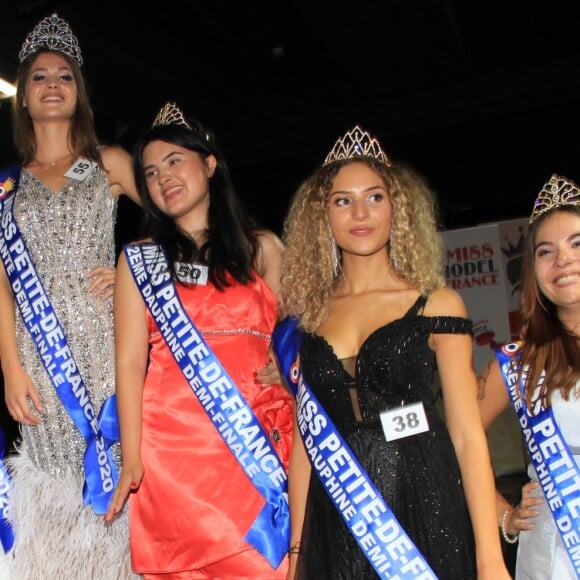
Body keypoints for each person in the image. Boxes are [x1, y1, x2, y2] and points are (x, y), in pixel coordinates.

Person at [275, 126, 511, 579]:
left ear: (396, 207)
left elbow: (466, 435)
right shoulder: (307, 319)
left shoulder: (436, 304)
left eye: (374, 197)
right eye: (343, 200)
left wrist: (490, 556)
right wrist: (297, 554)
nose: (360, 212)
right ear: (321, 214)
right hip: (337, 511)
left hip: (422, 499)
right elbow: (306, 445)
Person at [104, 102, 292, 578]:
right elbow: (128, 362)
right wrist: (131, 457)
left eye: (174, 162)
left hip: (251, 449)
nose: (162, 178)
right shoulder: (139, 261)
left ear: (209, 164)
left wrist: (291, 361)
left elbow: (301, 334)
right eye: (149, 172)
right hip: (170, 458)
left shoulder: (263, 248)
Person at [0, 12, 140, 578]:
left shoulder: (109, 163)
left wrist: (134, 266)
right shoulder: (5, 185)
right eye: (39, 76)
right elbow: (2, 285)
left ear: (78, 92)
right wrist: (9, 365)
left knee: (109, 489)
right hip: (37, 357)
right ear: (25, 99)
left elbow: (180, 221)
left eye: (64, 75)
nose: (52, 84)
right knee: (50, 495)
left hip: (107, 352)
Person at [478, 174, 580, 579]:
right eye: (545, 251)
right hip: (555, 553)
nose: (563, 261)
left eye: (577, 244)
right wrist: (502, 514)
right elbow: (453, 444)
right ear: (533, 270)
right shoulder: (519, 363)